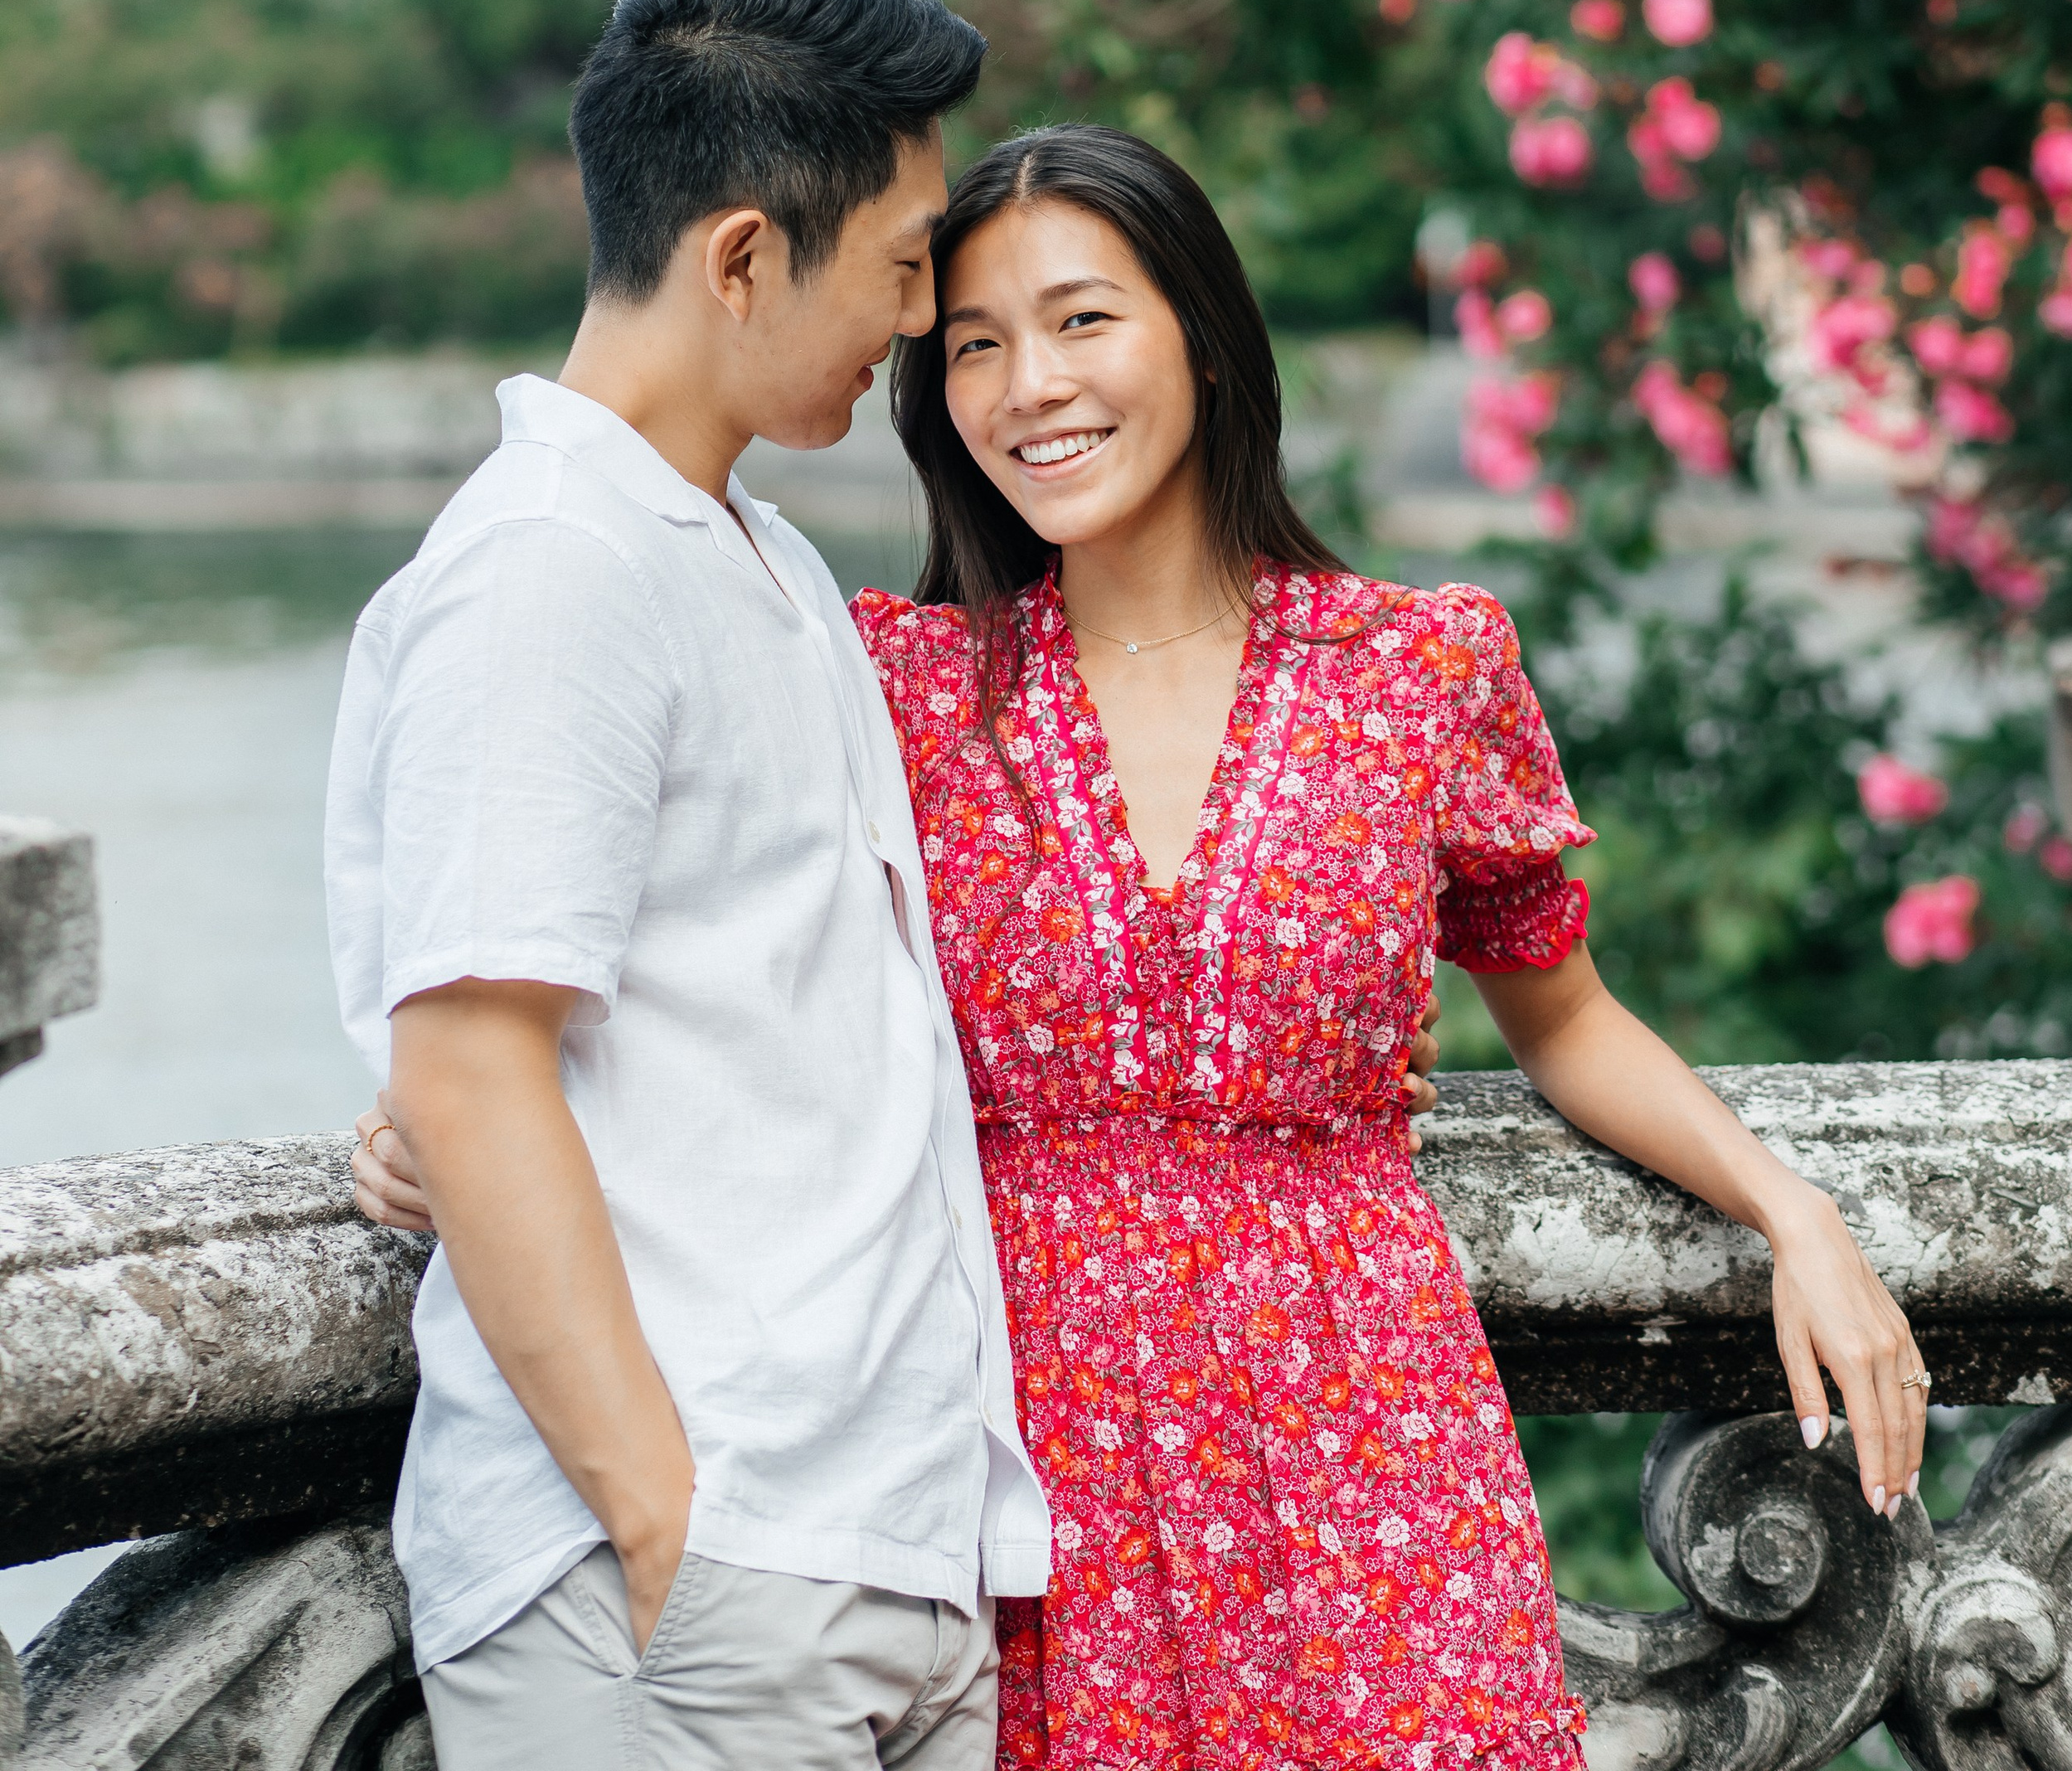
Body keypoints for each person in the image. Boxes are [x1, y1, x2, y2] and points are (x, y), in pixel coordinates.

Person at [360, 112, 1931, 1770]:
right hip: (1023, 1469)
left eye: (1082, 319)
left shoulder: (1415, 668)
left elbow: (1561, 1017)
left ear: (1200, 329)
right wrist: (447, 1117)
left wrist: (1786, 1209)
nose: (1029, 385)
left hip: (1368, 1460)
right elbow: (657, 944)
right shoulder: (888, 684)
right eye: (972, 344)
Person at [325, 0, 1051, 1771]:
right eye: (900, 267)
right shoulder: (548, 570)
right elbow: (471, 1070)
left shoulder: (748, 554)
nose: (914, 321)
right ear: (742, 256)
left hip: (861, 1550)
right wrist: (666, 1520)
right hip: (697, 1584)